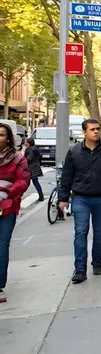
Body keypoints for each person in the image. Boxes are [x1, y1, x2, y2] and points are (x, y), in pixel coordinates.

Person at [58, 119, 101, 284]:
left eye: (98, 129)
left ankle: (97, 264)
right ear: (84, 132)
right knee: (81, 232)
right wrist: (63, 198)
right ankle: (80, 270)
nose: (96, 132)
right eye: (92, 129)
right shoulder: (74, 151)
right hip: (80, 197)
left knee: (99, 233)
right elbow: (66, 175)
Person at [0, 124, 31, 303]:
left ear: (8, 138)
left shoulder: (17, 159)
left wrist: (8, 192)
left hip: (7, 207)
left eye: (2, 135)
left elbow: (23, 180)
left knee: (2, 246)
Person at [24, 137, 45, 202]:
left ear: (29, 143)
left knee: (26, 183)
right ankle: (41, 196)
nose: (24, 143)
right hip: (35, 167)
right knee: (35, 182)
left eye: (25, 142)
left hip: (32, 168)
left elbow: (29, 158)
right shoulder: (35, 148)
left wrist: (23, 160)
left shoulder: (30, 150)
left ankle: (41, 197)